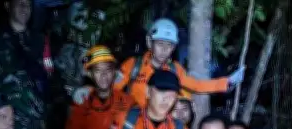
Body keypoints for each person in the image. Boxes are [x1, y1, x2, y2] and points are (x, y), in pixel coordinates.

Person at [72, 18, 245, 108]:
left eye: (169, 45)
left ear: (174, 48)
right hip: (132, 124)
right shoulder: (134, 65)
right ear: (150, 43)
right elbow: (111, 87)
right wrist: (88, 91)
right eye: (160, 44)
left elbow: (197, 85)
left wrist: (227, 82)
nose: (164, 50)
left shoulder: (174, 69)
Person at [0, 0, 48, 129]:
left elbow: (49, 72)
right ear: (8, 6)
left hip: (42, 115)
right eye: (19, 3)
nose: (24, 8)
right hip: (15, 118)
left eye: (27, 4)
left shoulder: (39, 39)